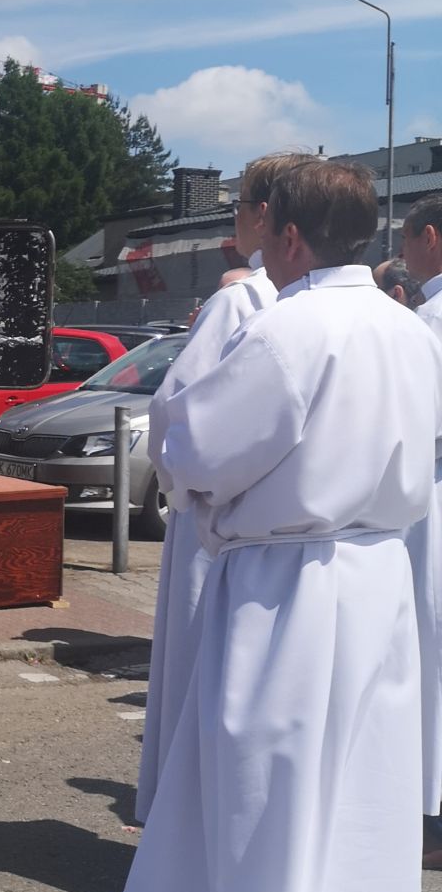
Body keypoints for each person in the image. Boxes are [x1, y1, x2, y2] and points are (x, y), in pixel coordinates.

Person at [121, 158, 442, 892]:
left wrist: (180, 459)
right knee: (368, 783)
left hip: (289, 578)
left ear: (290, 236)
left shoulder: (290, 328)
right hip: (380, 572)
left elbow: (199, 447)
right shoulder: (409, 327)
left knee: (270, 783)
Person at [135, 152, 307, 823]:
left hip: (219, 520)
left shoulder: (241, 299)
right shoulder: (354, 308)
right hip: (309, 536)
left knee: (199, 670)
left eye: (237, 207)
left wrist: (178, 485)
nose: (232, 221)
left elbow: (176, 415)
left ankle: (186, 818)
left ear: (264, 216)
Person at [399, 194, 442, 872]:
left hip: (431, 488)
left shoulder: (427, 323)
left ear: (429, 238)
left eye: (406, 240)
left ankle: (430, 818)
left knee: (427, 647)